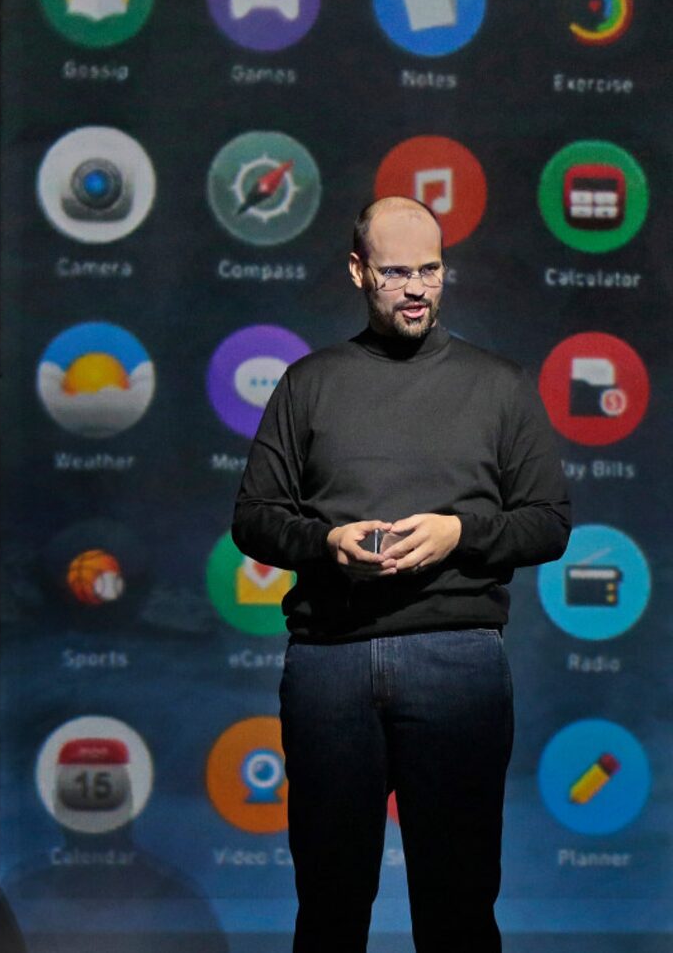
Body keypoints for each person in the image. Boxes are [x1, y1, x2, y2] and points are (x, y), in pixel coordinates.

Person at [232, 195, 570, 953]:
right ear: (358, 271)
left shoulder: (500, 384)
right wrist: (326, 544)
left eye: (431, 269)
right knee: (329, 904)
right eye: (395, 272)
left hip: (458, 659)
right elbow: (253, 515)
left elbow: (548, 521)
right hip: (330, 661)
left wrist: (460, 533)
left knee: (457, 908)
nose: (416, 287)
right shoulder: (308, 383)